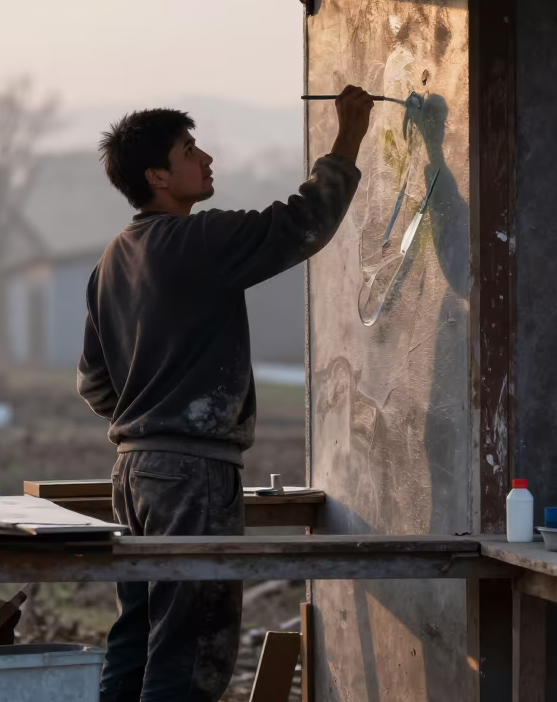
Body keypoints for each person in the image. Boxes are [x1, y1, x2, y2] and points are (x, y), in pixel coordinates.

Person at [77, 85, 374, 702]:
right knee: (190, 647)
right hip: (190, 476)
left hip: (133, 473)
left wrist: (150, 412)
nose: (206, 158)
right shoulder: (199, 242)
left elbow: (96, 384)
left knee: (138, 634)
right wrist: (348, 137)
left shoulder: (110, 261)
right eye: (190, 150)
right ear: (158, 176)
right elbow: (302, 224)